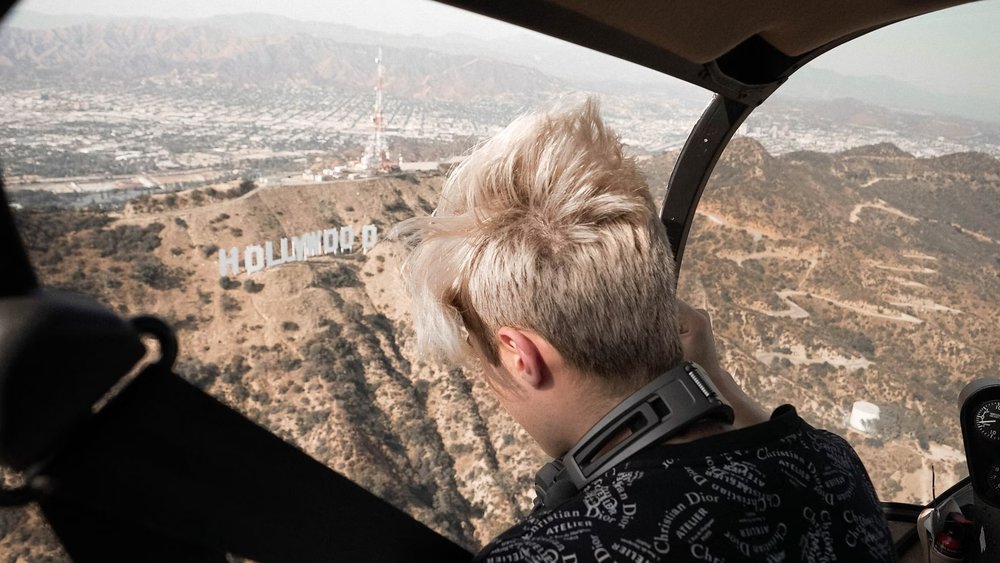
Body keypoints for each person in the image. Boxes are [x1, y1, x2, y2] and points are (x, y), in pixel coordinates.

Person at [393, 98, 894, 562]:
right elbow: (781, 441)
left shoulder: (539, 554)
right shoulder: (832, 467)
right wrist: (714, 380)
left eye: (477, 350)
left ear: (519, 354)